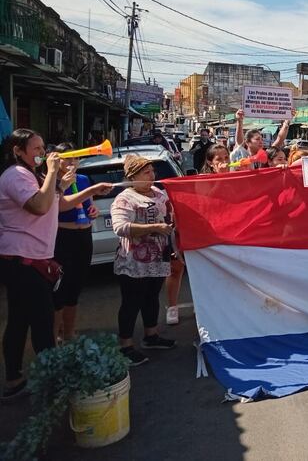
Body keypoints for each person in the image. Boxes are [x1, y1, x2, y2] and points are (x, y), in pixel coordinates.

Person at [0, 129, 111, 399]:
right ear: (18, 151)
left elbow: (57, 204)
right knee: (41, 321)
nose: (42, 153)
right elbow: (38, 206)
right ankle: (53, 382)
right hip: (23, 260)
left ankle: (14, 380)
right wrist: (52, 173)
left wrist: (91, 190)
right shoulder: (16, 176)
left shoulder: (30, 175)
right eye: (36, 149)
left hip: (31, 259)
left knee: (19, 320)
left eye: (42, 147)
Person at [111, 154, 176, 366]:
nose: (152, 175)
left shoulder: (158, 192)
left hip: (158, 257)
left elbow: (171, 213)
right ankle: (126, 345)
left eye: (152, 171)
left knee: (151, 298)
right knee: (132, 302)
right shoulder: (125, 198)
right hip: (134, 262)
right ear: (132, 177)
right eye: (146, 172)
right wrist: (154, 227)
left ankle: (151, 335)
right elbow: (120, 227)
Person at [51, 143, 101, 342]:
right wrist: (62, 184)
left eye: (75, 158)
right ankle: (54, 337)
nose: (72, 162)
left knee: (75, 287)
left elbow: (89, 205)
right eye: (67, 158)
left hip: (83, 236)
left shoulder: (83, 179)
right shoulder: (51, 182)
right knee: (59, 290)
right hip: (62, 237)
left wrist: (93, 211)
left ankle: (69, 332)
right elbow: (58, 207)